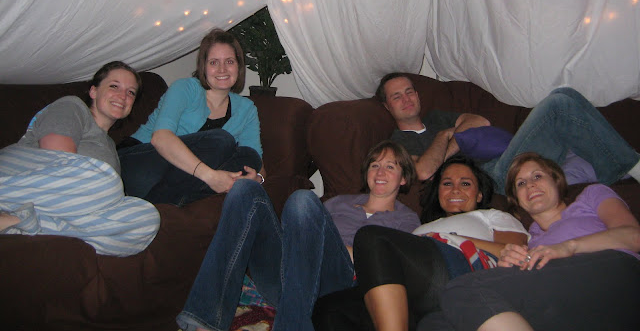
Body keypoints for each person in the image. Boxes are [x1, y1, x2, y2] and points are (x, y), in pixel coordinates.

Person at [175, 140, 421, 331]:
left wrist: (338, 249)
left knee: (303, 200)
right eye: (375, 165)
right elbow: (300, 236)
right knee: (244, 189)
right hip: (288, 276)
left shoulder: (406, 219)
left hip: (338, 284)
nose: (380, 172)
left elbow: (391, 266)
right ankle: (204, 320)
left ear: (404, 178)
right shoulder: (338, 202)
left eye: (390, 167)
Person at [422, 152, 640, 331]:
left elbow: (634, 236)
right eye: (521, 183)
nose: (530, 185)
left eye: (537, 176)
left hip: (618, 275)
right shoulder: (532, 241)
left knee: (463, 288)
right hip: (572, 306)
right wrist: (508, 266)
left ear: (556, 180)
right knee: (435, 322)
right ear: (516, 199)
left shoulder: (590, 196)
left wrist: (568, 247)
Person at [313, 157, 529, 331]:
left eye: (465, 183)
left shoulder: (492, 215)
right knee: (329, 308)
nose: (455, 189)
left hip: (459, 271)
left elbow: (512, 252)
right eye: (447, 183)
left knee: (371, 237)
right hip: (411, 295)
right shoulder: (420, 227)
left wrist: (452, 237)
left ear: (479, 194)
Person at [377, 72, 640, 192]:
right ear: (387, 106)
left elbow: (478, 121)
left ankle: (617, 166)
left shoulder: (436, 117)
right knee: (558, 104)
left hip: (507, 159)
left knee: (565, 94)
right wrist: (444, 136)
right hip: (495, 177)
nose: (406, 98)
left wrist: (449, 139)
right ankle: (629, 166)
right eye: (397, 96)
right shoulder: (397, 143)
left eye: (410, 91)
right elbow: (424, 171)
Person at [0, 61, 160, 257]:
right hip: (17, 176)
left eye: (131, 92)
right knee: (107, 182)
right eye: (114, 86)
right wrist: (106, 188)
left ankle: (19, 222)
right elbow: (58, 159)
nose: (123, 96)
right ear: (93, 91)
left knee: (147, 218)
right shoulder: (72, 106)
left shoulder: (110, 147)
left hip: (55, 204)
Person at [118, 28, 264, 206]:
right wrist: (211, 176)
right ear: (203, 67)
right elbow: (160, 138)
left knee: (249, 156)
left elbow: (256, 160)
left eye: (229, 61)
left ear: (239, 66)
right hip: (139, 164)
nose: (222, 69)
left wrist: (257, 178)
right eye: (214, 62)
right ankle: (165, 200)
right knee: (222, 140)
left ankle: (164, 203)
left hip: (178, 179)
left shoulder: (247, 109)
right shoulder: (184, 88)